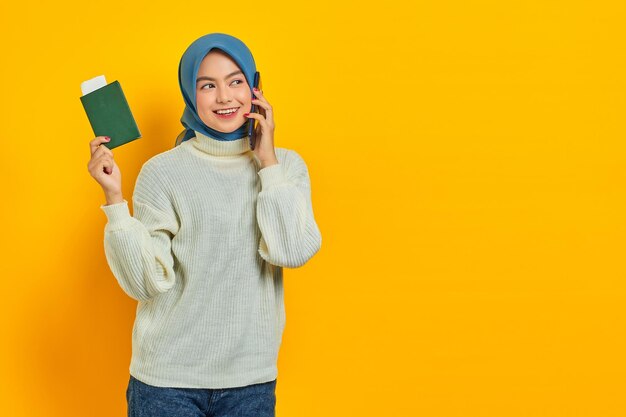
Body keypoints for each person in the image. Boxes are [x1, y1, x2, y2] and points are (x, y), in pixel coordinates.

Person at [86, 32, 322, 417]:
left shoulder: (286, 167)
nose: (225, 97)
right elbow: (146, 283)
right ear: (189, 95)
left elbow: (292, 251)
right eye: (208, 85)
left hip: (251, 384)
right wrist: (115, 201)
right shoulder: (163, 172)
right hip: (166, 384)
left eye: (236, 81)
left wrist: (268, 164)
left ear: (255, 88)